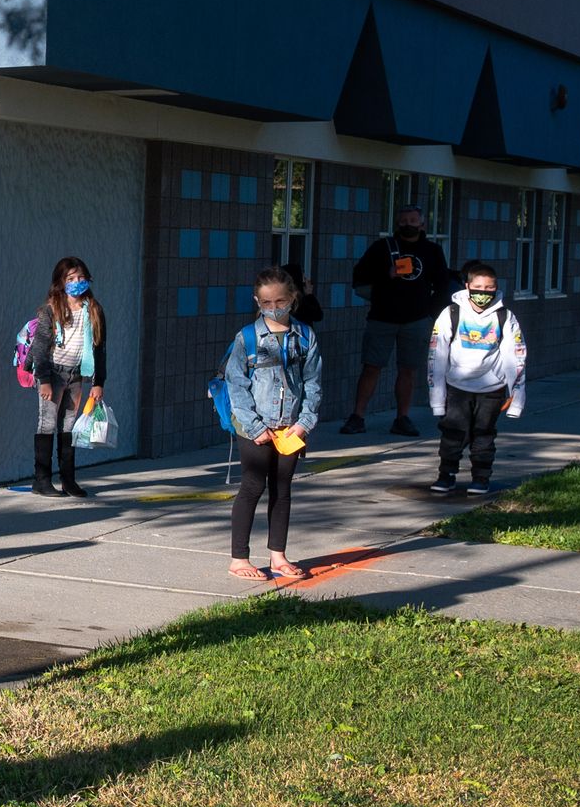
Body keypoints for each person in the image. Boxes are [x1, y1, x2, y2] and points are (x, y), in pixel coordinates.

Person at [224, 268, 323, 582]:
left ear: (293, 298)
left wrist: (304, 422)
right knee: (252, 487)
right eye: (266, 302)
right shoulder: (247, 338)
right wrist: (254, 427)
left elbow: (313, 383)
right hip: (253, 427)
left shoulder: (305, 336)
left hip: (289, 427)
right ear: (257, 301)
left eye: (281, 300)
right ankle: (239, 558)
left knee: (283, 490)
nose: (274, 306)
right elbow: (235, 385)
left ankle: (278, 555)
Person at [340, 205, 449, 437]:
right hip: (382, 317)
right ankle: (357, 416)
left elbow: (442, 284)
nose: (408, 224)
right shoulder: (382, 248)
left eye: (413, 220)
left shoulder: (432, 250)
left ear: (422, 224)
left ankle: (402, 418)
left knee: (408, 370)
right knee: (371, 367)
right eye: (403, 220)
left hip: (417, 319)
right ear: (396, 224)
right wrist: (386, 275)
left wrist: (432, 313)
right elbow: (358, 277)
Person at [426, 261, 528, 497]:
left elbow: (516, 356)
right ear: (467, 286)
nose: (483, 292)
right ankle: (446, 474)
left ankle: (481, 477)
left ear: (496, 288)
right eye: (478, 286)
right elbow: (437, 356)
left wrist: (517, 397)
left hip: (492, 388)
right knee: (453, 432)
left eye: (489, 288)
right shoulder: (451, 313)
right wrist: (437, 399)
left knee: (483, 433)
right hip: (457, 386)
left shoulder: (505, 317)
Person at [29, 256, 107, 499]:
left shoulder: (93, 310)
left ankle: (68, 480)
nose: (77, 282)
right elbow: (40, 347)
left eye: (81, 278)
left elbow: (99, 347)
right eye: (71, 278)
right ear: (60, 282)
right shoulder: (50, 310)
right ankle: (41, 480)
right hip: (52, 373)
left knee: (69, 427)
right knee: (47, 424)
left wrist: (98, 382)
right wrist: (43, 379)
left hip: (76, 376)